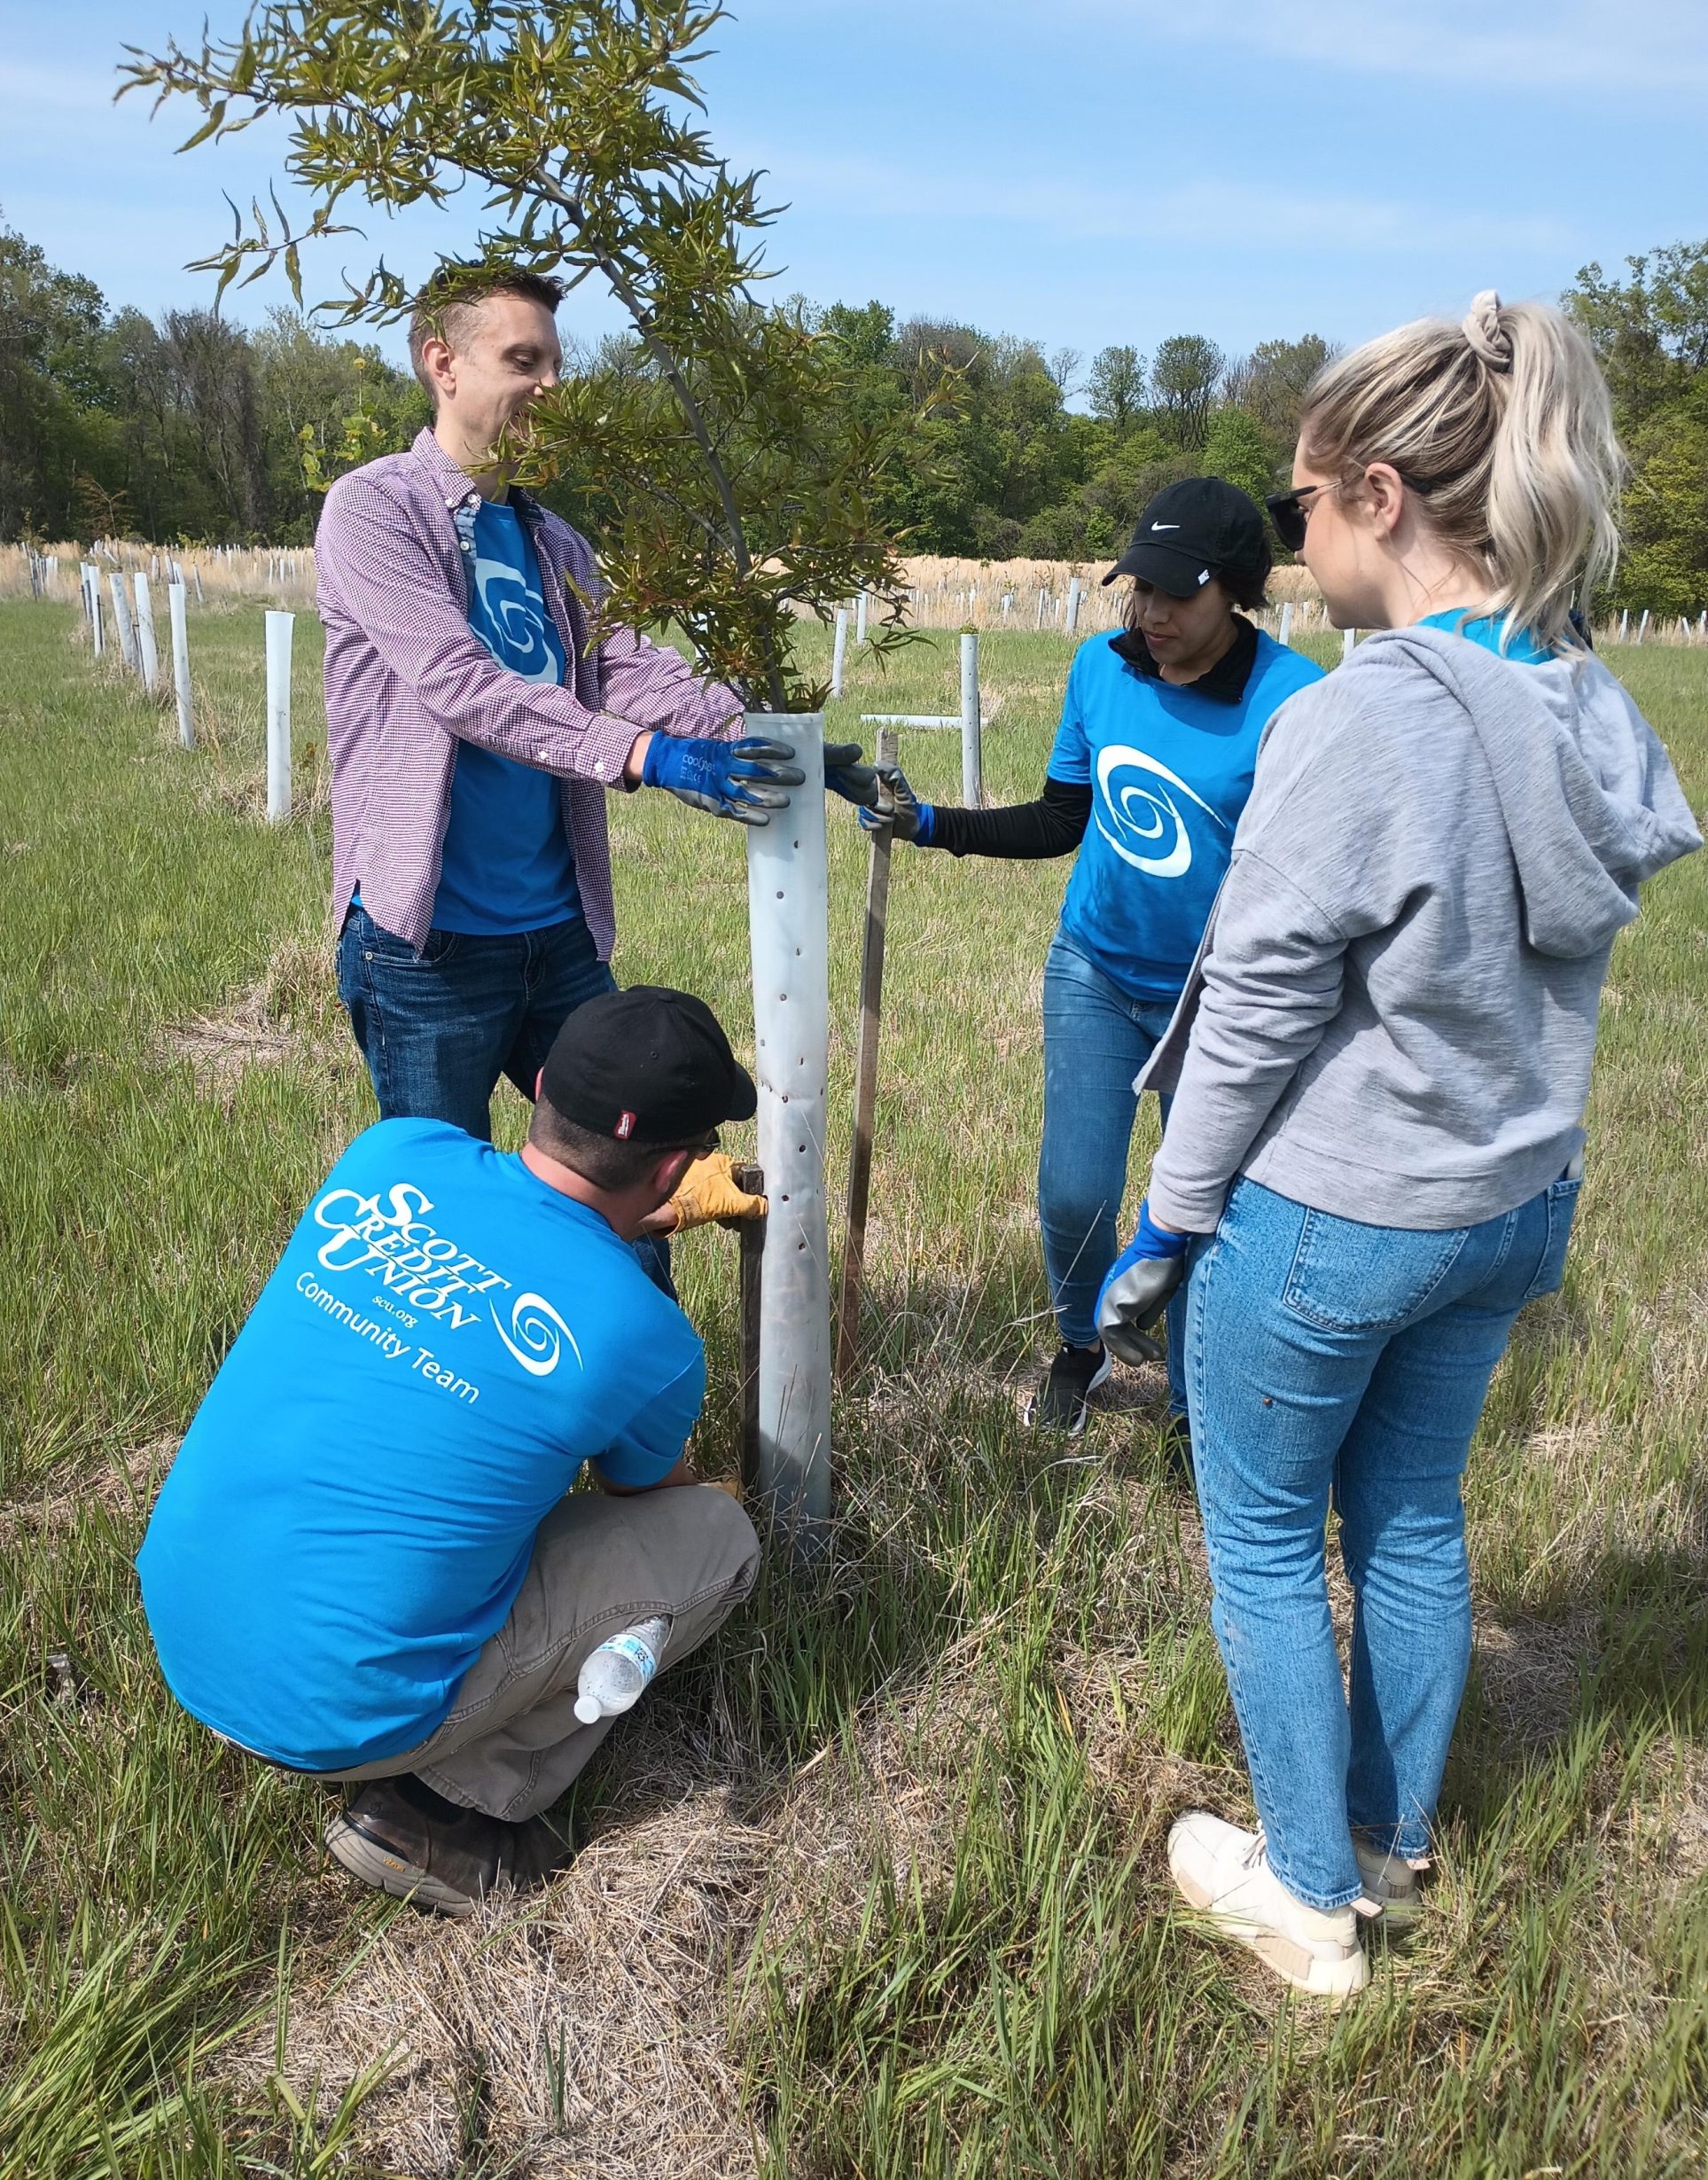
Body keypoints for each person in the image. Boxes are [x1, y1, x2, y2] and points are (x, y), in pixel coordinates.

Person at [1098, 292, 1702, 1995]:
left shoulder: (1363, 715)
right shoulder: (1581, 697)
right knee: (1418, 1518)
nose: (1288, 549)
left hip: (1337, 1209)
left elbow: (1261, 1007)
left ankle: (1305, 1896)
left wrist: (1170, 1218)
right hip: (1511, 1198)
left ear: (1376, 494)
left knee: (1269, 1537)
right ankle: (1387, 1839)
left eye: (1294, 510)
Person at [136, 988, 768, 1917]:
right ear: (677, 1164)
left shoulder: (393, 1154)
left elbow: (506, 1243)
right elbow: (646, 1495)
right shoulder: (647, 1336)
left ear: (542, 1085)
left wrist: (642, 1222)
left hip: (186, 1619)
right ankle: (439, 1810)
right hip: (346, 1714)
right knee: (714, 1538)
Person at [835, 480, 1321, 1434]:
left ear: (1237, 595)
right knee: (1074, 1192)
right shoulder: (1100, 669)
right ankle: (1081, 1344)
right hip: (1094, 968)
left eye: (1177, 595)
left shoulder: (1295, 700)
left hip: (1220, 997)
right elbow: (1062, 819)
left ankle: (1192, 1398)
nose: (1150, 613)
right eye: (1137, 589)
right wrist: (928, 821)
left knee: (1208, 1212)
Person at [316, 264, 806, 1145]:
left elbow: (629, 669)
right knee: (441, 1203)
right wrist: (644, 755)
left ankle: (619, 1290)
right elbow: (459, 684)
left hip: (558, 932)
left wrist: (764, 733)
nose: (551, 385)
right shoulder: (374, 511)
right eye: (523, 359)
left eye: (555, 363)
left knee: (635, 1163)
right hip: (428, 942)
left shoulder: (556, 540)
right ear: (444, 364)